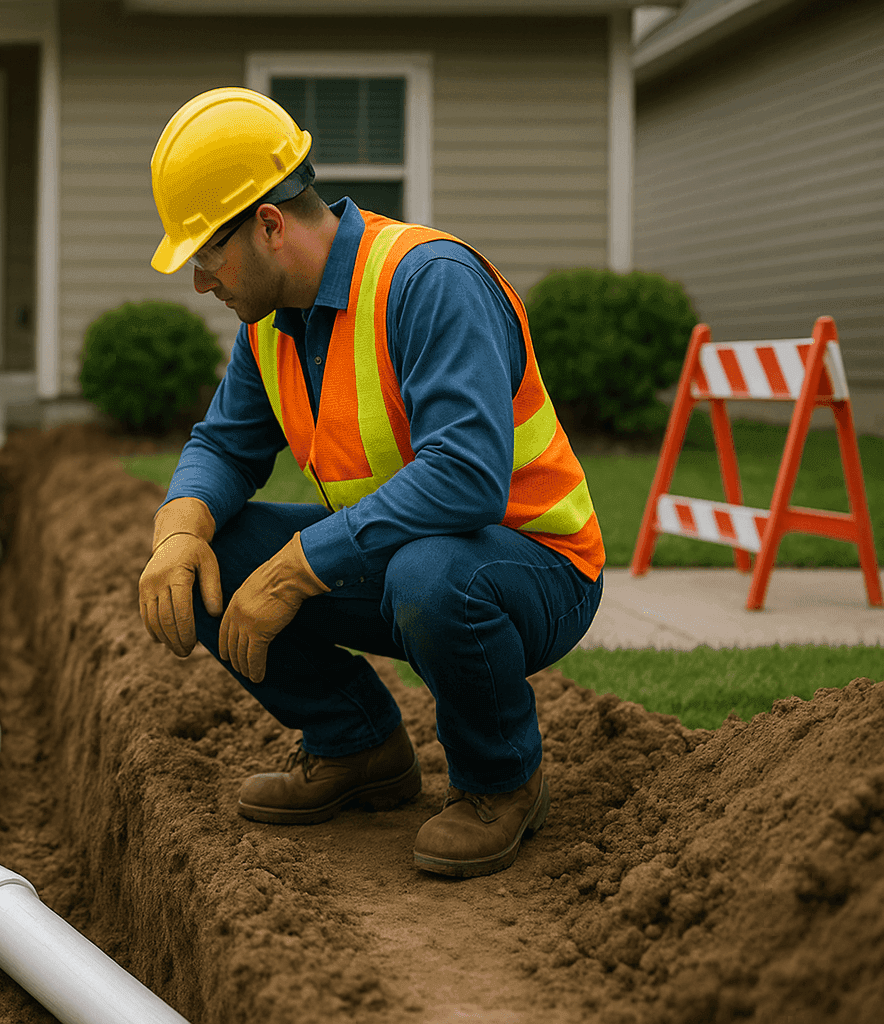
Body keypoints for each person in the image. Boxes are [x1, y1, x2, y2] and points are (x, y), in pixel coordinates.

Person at [138, 87, 605, 878]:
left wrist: (295, 570)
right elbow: (223, 444)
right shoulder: (268, 330)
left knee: (430, 575)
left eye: (205, 256)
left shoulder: (428, 281)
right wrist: (179, 529)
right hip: (398, 559)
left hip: (531, 565)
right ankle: (358, 748)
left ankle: (501, 784)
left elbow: (466, 478)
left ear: (269, 225)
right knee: (217, 558)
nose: (199, 282)